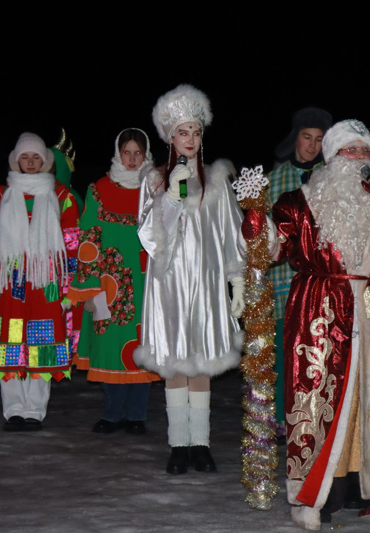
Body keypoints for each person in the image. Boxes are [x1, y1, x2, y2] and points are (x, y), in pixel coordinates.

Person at [267, 120, 370, 529]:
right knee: (318, 397)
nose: (357, 160)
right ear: (331, 158)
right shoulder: (298, 202)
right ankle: (316, 494)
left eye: (364, 151)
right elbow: (266, 250)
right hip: (319, 307)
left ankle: (369, 487)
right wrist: (252, 222)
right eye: (348, 151)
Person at [134, 85, 246, 474]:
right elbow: (148, 235)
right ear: (171, 136)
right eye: (183, 132)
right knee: (176, 363)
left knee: (202, 363)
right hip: (170, 286)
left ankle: (201, 443)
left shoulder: (217, 182)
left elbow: (232, 234)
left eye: (196, 132)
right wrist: (171, 197)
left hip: (206, 284)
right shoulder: (155, 179)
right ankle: (177, 444)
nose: (191, 140)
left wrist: (237, 281)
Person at [0, 132, 80, 431]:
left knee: (42, 346)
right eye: (25, 157)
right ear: (16, 161)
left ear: (45, 161)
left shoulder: (63, 198)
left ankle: (34, 411)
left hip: (48, 287)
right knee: (11, 345)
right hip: (11, 286)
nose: (31, 162)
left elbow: (73, 246)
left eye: (36, 157)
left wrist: (71, 288)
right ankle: (14, 411)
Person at [70, 128, 161, 434]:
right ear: (117, 153)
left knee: (141, 345)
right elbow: (89, 235)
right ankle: (112, 413)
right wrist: (90, 283)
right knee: (110, 345)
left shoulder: (156, 188)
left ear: (146, 154)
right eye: (127, 153)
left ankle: (136, 415)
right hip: (109, 284)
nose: (133, 159)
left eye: (138, 153)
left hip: (147, 282)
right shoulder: (100, 189)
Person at [267, 107, 332, 444]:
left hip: (323, 285)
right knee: (285, 356)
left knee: (320, 355)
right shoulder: (274, 182)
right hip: (282, 287)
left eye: (319, 140)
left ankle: (319, 417)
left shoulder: (333, 177)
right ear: (296, 138)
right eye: (307, 137)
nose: (312, 145)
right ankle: (282, 420)